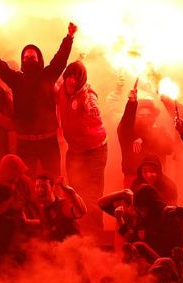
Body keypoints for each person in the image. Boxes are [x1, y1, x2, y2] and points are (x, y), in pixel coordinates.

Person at [0, 22, 77, 175]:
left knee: (53, 181)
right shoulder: (17, 80)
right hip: (25, 142)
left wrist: (69, 37)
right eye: (26, 57)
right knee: (27, 184)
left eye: (33, 57)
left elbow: (60, 59)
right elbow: (2, 69)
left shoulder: (48, 76)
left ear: (39, 59)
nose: (29, 59)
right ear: (22, 60)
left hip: (48, 141)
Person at [58, 60, 108, 233]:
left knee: (93, 195)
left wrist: (92, 108)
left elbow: (92, 103)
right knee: (75, 191)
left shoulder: (87, 94)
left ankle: (95, 234)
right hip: (75, 150)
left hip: (95, 150)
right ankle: (78, 231)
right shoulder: (61, 90)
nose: (71, 81)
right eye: (69, 76)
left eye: (76, 78)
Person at [100, 185, 183, 257]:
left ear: (151, 204)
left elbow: (178, 245)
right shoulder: (141, 217)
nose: (141, 212)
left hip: (165, 267)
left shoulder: (170, 215)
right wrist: (119, 218)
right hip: (145, 267)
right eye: (139, 210)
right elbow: (132, 240)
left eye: (143, 209)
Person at [117, 87, 173, 187]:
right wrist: (131, 103)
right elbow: (125, 123)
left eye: (148, 115)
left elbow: (170, 148)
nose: (145, 118)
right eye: (141, 115)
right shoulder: (127, 133)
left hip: (156, 181)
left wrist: (145, 138)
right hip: (133, 180)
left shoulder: (160, 131)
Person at [0, 154, 39, 219]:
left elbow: (34, 203)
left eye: (20, 173)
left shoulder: (25, 182)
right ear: (4, 170)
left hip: (14, 218)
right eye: (15, 172)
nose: (17, 177)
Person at [34, 174, 87, 241]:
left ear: (52, 187)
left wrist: (71, 192)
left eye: (44, 186)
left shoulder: (62, 205)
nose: (40, 189)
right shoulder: (42, 208)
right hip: (55, 249)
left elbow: (82, 211)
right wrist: (28, 221)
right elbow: (46, 222)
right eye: (37, 186)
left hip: (73, 249)